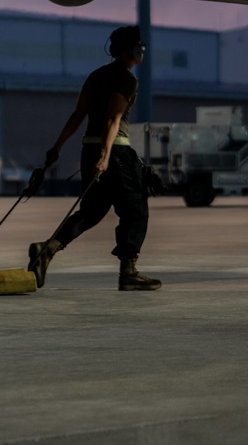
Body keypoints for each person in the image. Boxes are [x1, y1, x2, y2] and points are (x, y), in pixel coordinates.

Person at [27, 25, 161, 291]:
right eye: (137, 45)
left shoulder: (95, 76)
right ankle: (128, 272)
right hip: (115, 152)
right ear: (126, 50)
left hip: (88, 149)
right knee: (135, 211)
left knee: (91, 212)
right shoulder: (126, 79)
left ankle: (47, 249)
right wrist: (106, 155)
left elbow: (77, 115)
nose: (141, 49)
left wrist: (57, 147)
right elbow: (113, 118)